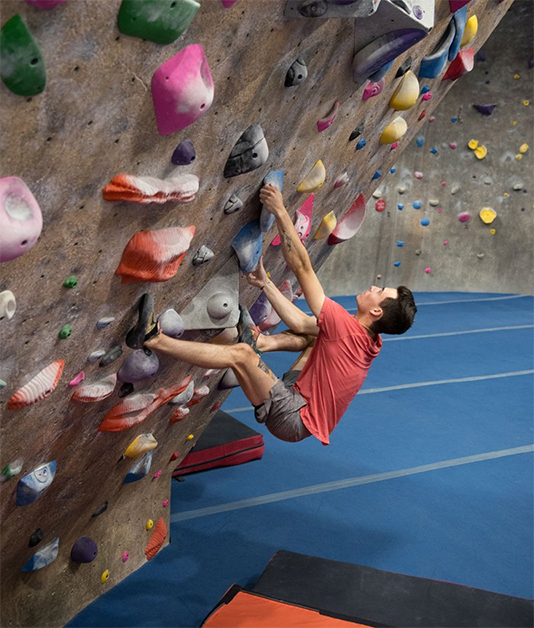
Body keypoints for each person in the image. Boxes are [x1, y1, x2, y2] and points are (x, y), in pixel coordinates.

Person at [142, 185, 417, 445]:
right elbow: (301, 323)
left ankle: (154, 340)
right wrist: (265, 284)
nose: (372, 287)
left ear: (377, 311)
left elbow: (301, 266)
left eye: (378, 291)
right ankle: (262, 343)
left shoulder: (346, 328)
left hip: (294, 417)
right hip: (298, 395)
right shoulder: (370, 341)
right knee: (314, 334)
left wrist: (281, 211)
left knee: (242, 356)